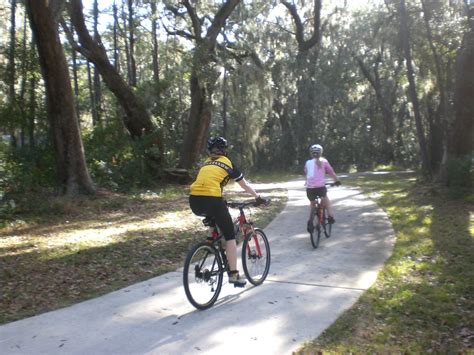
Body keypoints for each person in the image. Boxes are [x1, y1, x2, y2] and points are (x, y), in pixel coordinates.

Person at [189, 136, 267, 287]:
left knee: (215, 215)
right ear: (224, 150)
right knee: (230, 237)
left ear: (210, 151)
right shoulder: (228, 163)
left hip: (194, 201)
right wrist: (258, 197)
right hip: (211, 199)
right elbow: (244, 185)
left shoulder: (205, 164)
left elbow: (208, 184)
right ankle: (234, 275)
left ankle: (209, 241)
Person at [304, 144, 341, 232]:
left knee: (312, 204)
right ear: (321, 153)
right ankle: (330, 217)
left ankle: (310, 221)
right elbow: (331, 172)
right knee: (326, 199)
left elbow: (306, 173)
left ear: (311, 153)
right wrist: (337, 180)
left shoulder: (307, 163)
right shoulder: (324, 161)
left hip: (309, 189)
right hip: (320, 188)